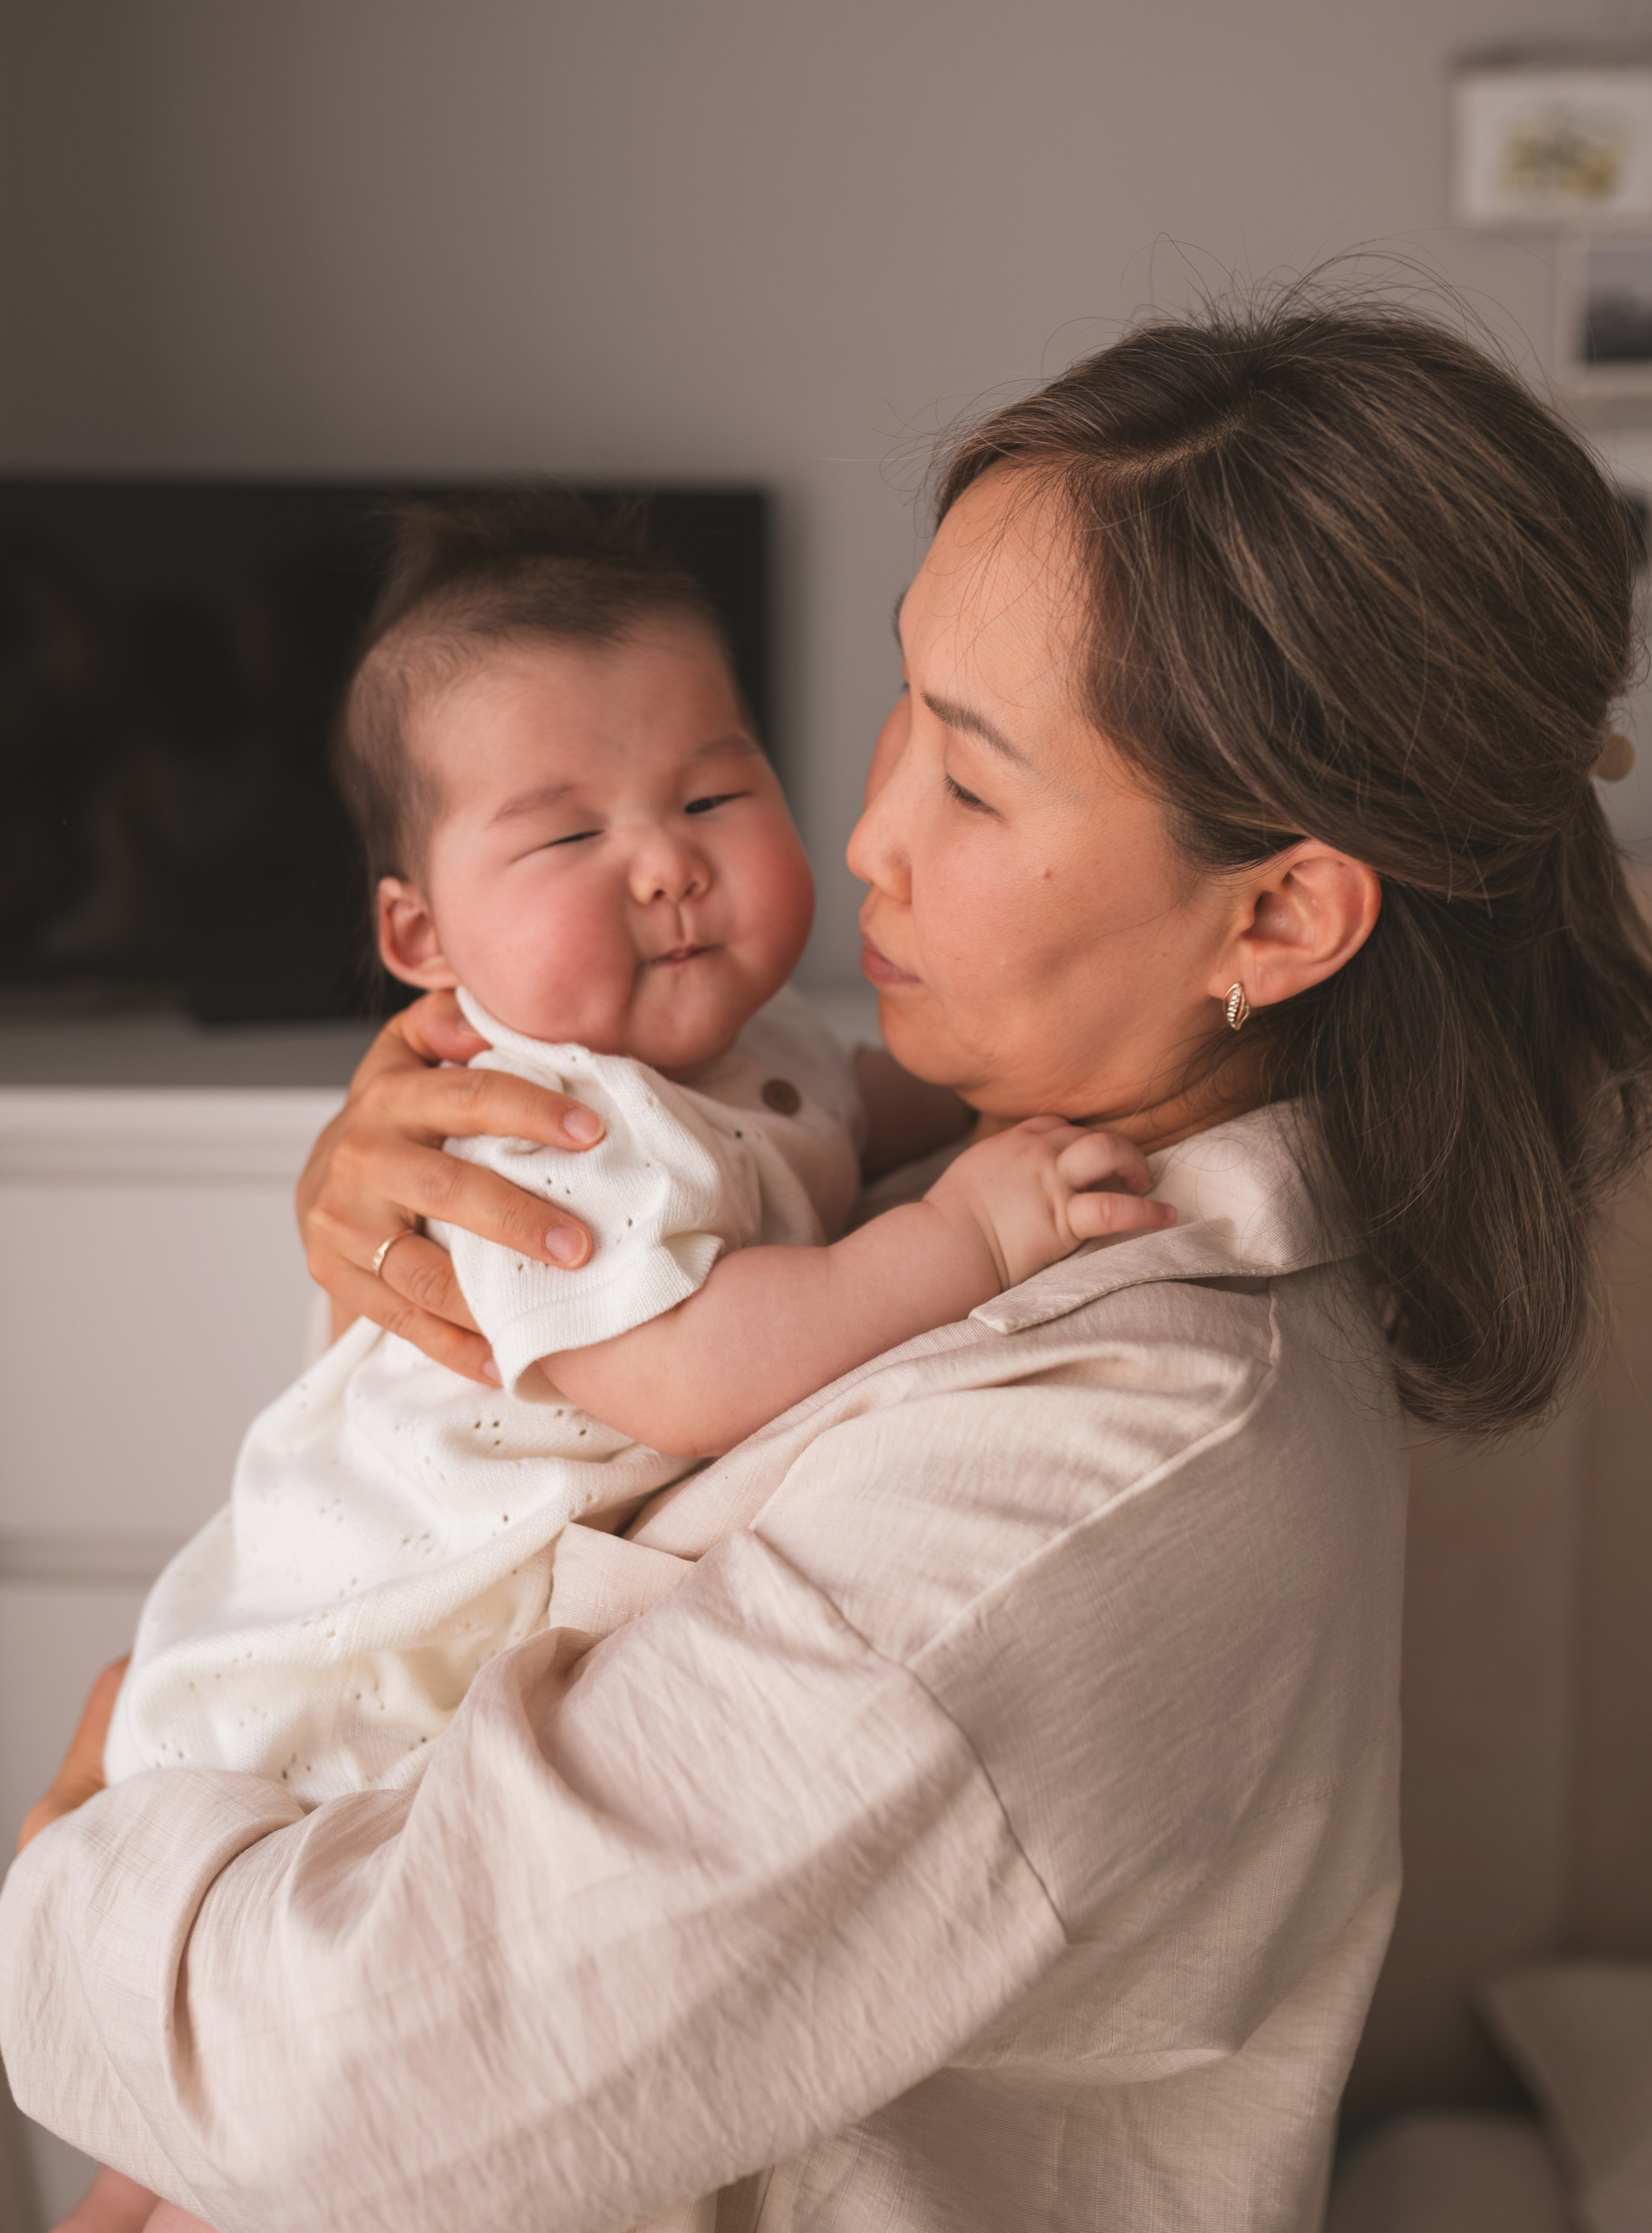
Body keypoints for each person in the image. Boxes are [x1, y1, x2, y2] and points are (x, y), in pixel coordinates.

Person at [7, 296, 1652, 2233]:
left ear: (1280, 912)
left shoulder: (1089, 1484)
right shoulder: (1001, 1156)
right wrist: (414, 1204)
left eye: (968, 779)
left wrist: (76, 1850)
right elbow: (517, 1445)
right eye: (897, 708)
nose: (859, 835)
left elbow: (319, 2081)